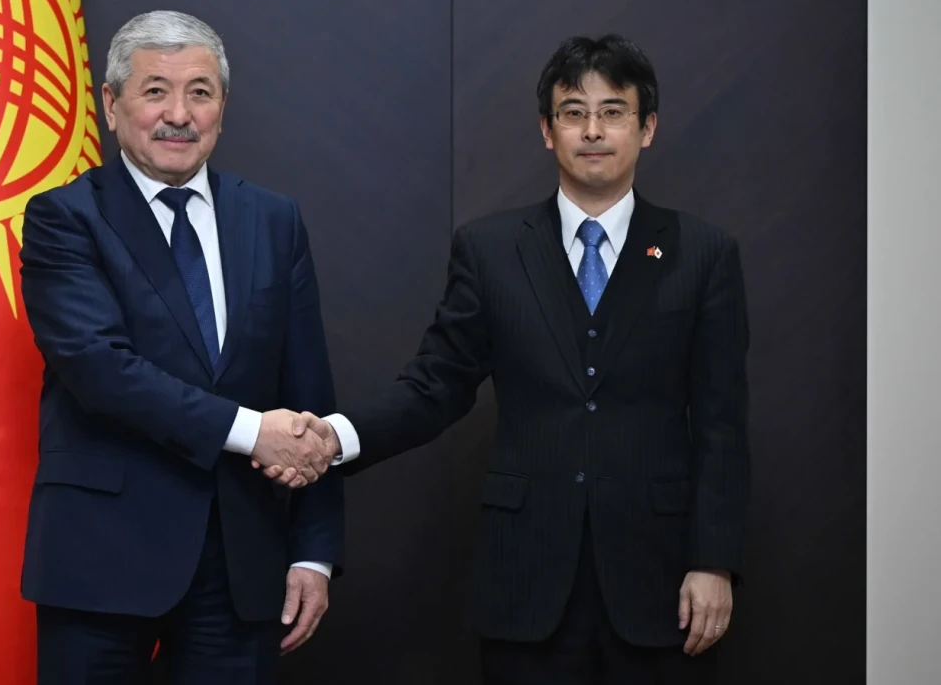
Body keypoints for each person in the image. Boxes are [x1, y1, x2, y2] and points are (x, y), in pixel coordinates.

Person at [265, 35, 751, 684]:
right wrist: (335, 437)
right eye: (573, 112)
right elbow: (436, 384)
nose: (593, 130)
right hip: (526, 581)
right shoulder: (491, 250)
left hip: (662, 581)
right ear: (548, 131)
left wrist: (714, 560)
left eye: (613, 111)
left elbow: (722, 424)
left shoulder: (702, 253)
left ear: (648, 127)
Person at [18, 10, 344, 684]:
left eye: (200, 92)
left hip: (242, 563)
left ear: (223, 107)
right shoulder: (65, 217)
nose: (179, 114)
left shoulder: (273, 219)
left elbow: (309, 394)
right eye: (155, 91)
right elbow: (100, 369)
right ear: (112, 105)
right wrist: (252, 432)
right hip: (102, 561)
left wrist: (313, 551)